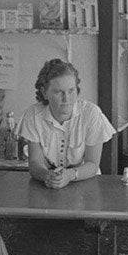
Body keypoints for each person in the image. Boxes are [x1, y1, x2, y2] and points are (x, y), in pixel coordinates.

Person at [17, 58, 114, 189]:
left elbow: (92, 164)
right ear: (44, 92)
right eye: (58, 92)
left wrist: (69, 175)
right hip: (48, 184)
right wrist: (48, 176)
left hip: (86, 183)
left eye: (71, 91)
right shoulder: (33, 116)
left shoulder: (91, 113)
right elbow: (35, 163)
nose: (66, 99)